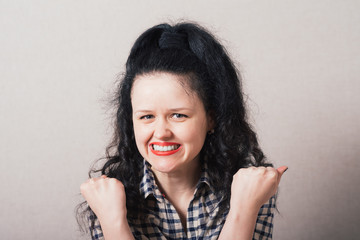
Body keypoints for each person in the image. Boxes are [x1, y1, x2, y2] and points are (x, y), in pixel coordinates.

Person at [78, 22, 287, 240]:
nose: (161, 132)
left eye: (178, 115)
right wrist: (113, 220)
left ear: (211, 119)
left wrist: (243, 210)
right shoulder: (105, 198)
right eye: (146, 117)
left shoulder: (249, 188)